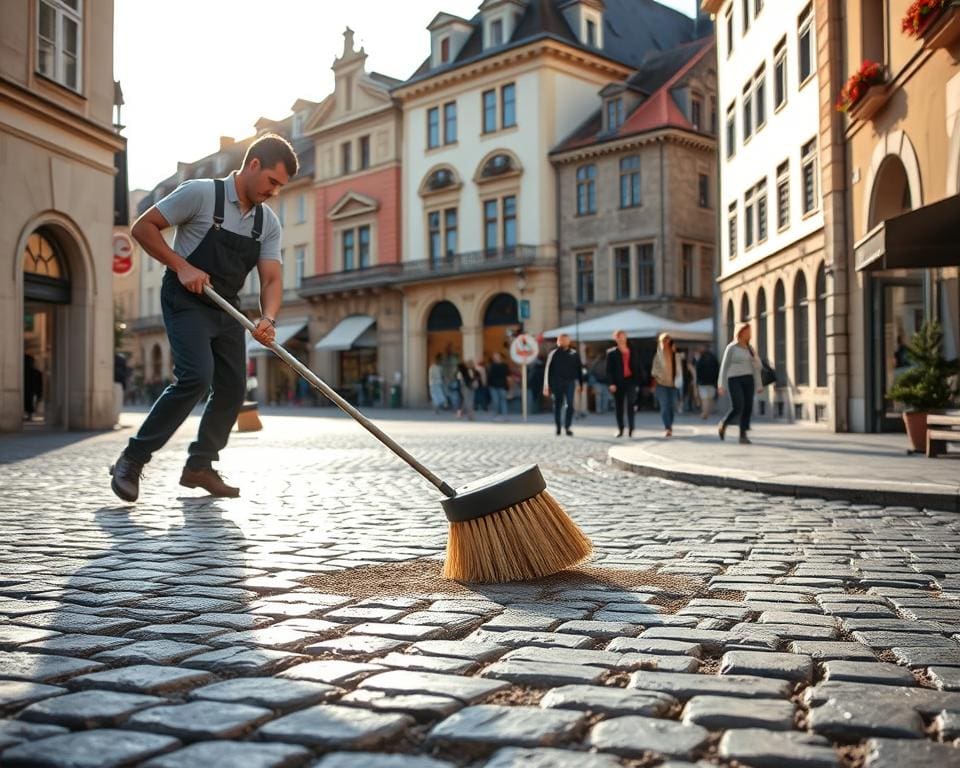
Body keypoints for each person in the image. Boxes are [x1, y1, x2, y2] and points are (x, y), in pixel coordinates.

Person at [109, 134, 298, 502]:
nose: (274, 192)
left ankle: (200, 465)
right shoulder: (200, 193)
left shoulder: (267, 222)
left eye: (281, 186)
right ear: (253, 164)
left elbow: (271, 280)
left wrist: (269, 319)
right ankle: (132, 459)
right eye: (272, 181)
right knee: (196, 376)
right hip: (185, 298)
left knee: (233, 388)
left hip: (226, 305)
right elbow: (142, 227)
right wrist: (181, 266)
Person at [717, 323, 763, 445]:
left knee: (747, 407)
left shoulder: (750, 348)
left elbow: (757, 368)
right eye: (747, 331)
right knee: (738, 406)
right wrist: (721, 384)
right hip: (734, 379)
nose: (749, 334)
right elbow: (724, 366)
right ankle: (724, 423)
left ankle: (743, 435)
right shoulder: (731, 347)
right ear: (741, 332)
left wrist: (759, 384)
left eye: (750, 331)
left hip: (749, 379)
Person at [543, 333, 584, 436]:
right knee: (557, 405)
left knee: (570, 405)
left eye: (565, 340)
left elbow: (579, 370)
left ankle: (567, 427)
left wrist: (580, 384)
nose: (563, 342)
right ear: (558, 341)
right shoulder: (553, 354)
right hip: (556, 383)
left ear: (569, 341)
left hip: (570, 383)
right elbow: (548, 371)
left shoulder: (574, 354)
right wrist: (547, 386)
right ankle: (558, 427)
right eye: (561, 340)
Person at [605, 330, 642, 437]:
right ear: (615, 339)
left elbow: (638, 366)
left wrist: (638, 380)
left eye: (623, 336)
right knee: (619, 406)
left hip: (631, 380)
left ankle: (631, 428)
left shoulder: (632, 350)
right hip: (618, 382)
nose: (621, 339)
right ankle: (620, 429)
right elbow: (608, 370)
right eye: (619, 337)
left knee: (631, 404)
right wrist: (611, 384)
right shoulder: (611, 353)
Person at [651, 333, 679, 437]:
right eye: (664, 340)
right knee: (664, 406)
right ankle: (668, 427)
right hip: (661, 384)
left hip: (673, 384)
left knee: (671, 406)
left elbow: (680, 370)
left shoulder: (675, 355)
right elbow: (654, 372)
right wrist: (653, 385)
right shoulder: (658, 355)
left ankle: (670, 424)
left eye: (668, 340)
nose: (666, 342)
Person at [695, 346, 720, 419]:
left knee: (705, 399)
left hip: (703, 383)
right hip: (712, 383)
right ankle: (707, 412)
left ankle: (705, 413)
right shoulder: (714, 359)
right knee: (710, 398)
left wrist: (697, 382)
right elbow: (717, 370)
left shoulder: (701, 359)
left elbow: (698, 371)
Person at [487, 353, 509, 420]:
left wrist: (509, 387)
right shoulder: (491, 365)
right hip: (493, 386)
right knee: (496, 401)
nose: (495, 358)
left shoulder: (504, 366)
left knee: (502, 401)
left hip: (502, 385)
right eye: (494, 357)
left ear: (500, 357)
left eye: (496, 356)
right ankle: (496, 415)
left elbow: (508, 376)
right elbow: (489, 376)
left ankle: (504, 416)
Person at [23, 354, 42, 421]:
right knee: (29, 402)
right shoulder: (35, 372)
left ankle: (30, 415)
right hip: (30, 390)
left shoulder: (36, 372)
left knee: (30, 402)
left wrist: (39, 392)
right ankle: (29, 415)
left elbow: (39, 383)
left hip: (31, 390)